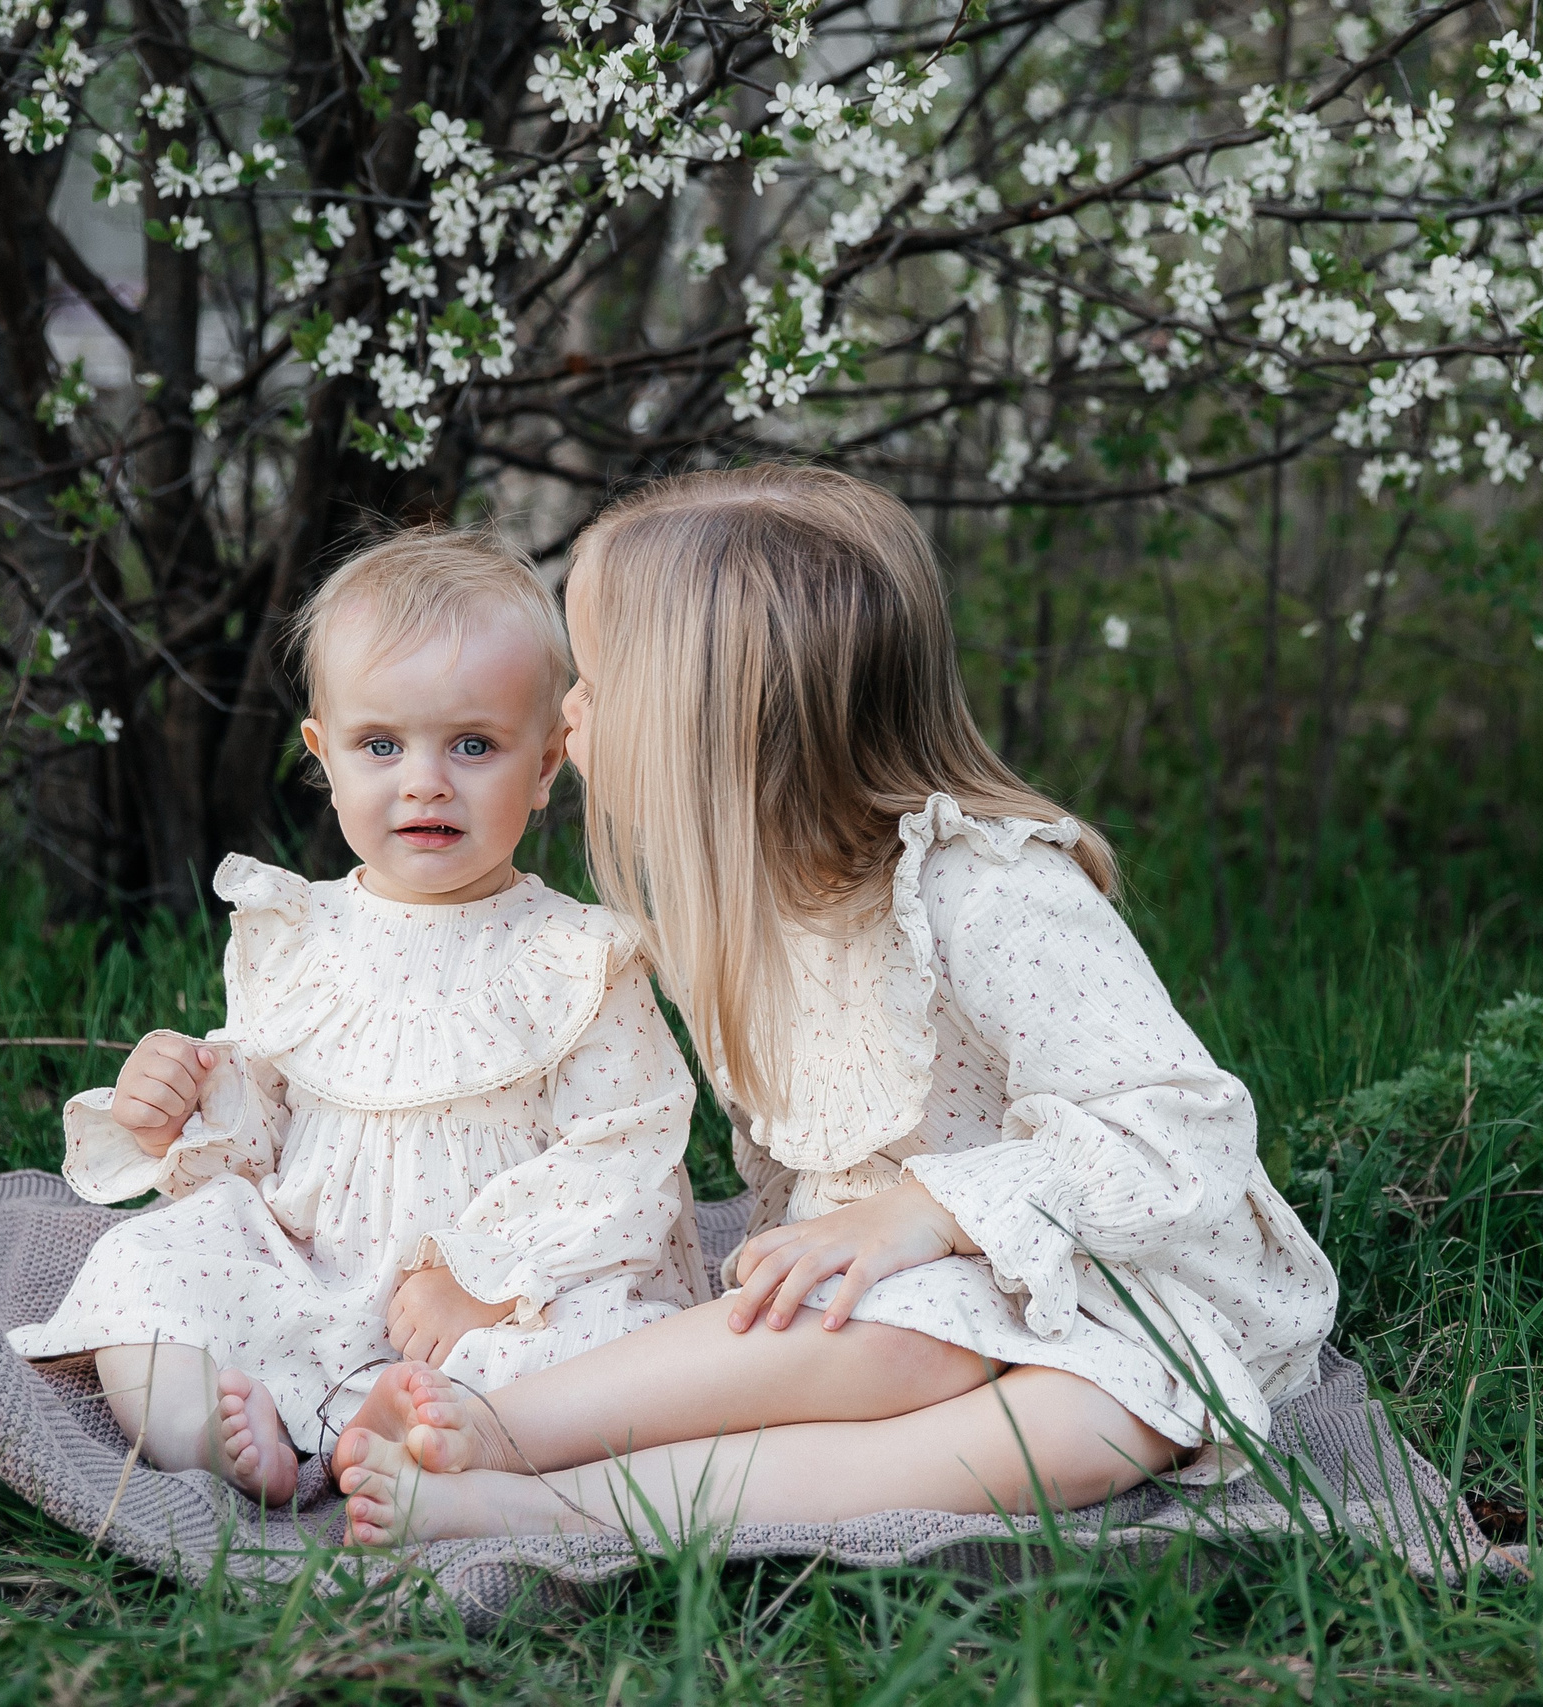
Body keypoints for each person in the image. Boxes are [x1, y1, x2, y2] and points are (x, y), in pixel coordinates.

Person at [336, 467, 1339, 1544]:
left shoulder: (984, 888)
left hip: (1115, 1278)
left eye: (599, 683)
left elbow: (1182, 1129)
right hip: (908, 1293)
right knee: (879, 1334)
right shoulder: (746, 909)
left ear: (707, 726)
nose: (567, 713)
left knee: (1075, 1429)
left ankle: (540, 1493)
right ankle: (497, 1433)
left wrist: (923, 1215)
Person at [7, 530, 708, 1504]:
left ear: (546, 763)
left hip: (495, 1305)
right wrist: (181, 1105)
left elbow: (624, 1155)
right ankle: (208, 1429)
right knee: (141, 1265)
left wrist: (486, 1283)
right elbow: (268, 1137)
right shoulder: (299, 935)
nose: (424, 780)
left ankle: (419, 1435)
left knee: (619, 1350)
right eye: (381, 745)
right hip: (318, 1269)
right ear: (323, 756)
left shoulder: (578, 957)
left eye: (473, 744)